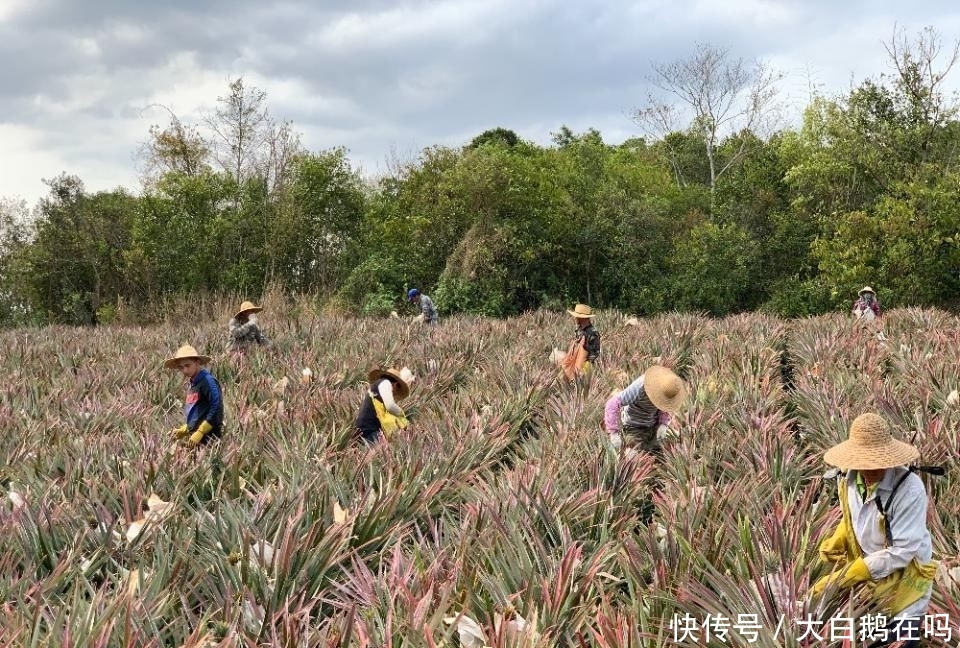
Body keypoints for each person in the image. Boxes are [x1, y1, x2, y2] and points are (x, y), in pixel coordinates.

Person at [810, 413, 938, 648]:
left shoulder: (909, 489)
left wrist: (852, 573)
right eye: (863, 463)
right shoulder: (848, 479)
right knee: (869, 637)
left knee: (899, 638)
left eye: (876, 462)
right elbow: (856, 515)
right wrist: (840, 536)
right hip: (872, 580)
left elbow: (903, 551)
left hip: (906, 578)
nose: (870, 469)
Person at [604, 365, 687, 459]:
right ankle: (647, 449)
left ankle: (651, 448)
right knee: (631, 456)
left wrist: (663, 424)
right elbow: (612, 403)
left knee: (679, 439)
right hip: (634, 426)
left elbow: (665, 407)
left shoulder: (668, 387)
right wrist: (614, 433)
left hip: (653, 426)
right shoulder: (640, 387)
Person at [165, 344, 224, 448]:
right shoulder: (193, 384)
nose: (185, 371)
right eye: (181, 367)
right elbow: (197, 412)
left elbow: (217, 407)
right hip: (195, 439)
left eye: (188, 365)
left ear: (197, 362)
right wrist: (185, 429)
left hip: (210, 438)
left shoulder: (207, 381)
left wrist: (201, 431)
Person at [355, 367, 415, 445]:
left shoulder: (377, 387)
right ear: (395, 384)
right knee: (393, 448)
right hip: (369, 432)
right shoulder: (385, 383)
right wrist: (401, 414)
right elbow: (390, 406)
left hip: (364, 431)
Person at [560, 304, 601, 380]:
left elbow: (595, 354)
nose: (575, 318)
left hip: (584, 366)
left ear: (583, 318)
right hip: (574, 363)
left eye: (577, 317)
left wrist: (584, 368)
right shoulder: (579, 330)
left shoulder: (593, 333)